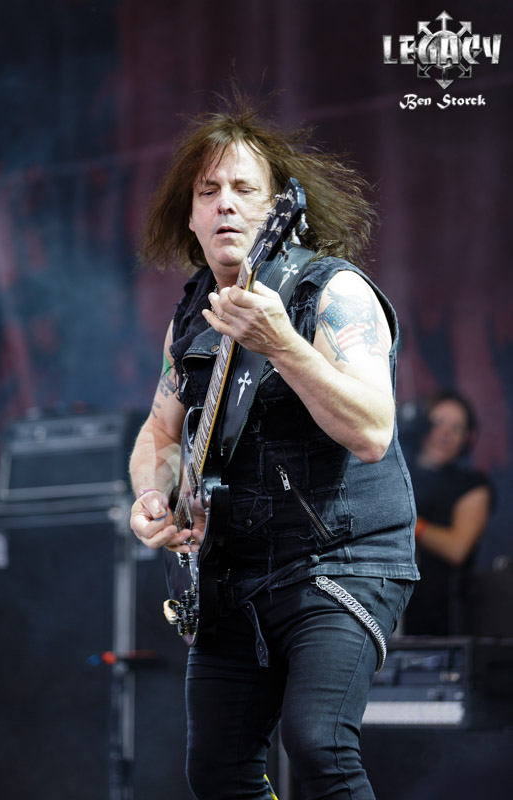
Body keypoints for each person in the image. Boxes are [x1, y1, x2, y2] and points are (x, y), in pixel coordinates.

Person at [129, 93, 418, 800]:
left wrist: (282, 344)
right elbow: (159, 433)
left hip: (340, 559)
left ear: (279, 208)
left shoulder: (332, 292)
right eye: (207, 191)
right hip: (232, 572)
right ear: (189, 216)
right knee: (216, 771)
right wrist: (153, 494)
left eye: (243, 189)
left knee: (318, 743)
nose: (224, 204)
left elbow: (372, 431)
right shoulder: (191, 319)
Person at [402, 390, 494, 637]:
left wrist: (408, 523)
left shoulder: (472, 485)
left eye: (456, 427)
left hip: (441, 618)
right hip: (390, 607)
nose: (445, 433)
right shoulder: (397, 472)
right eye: (438, 422)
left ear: (468, 437)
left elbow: (457, 548)